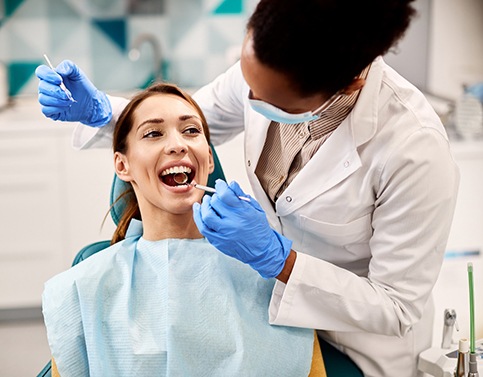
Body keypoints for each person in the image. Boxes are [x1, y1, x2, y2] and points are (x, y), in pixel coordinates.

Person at [36, 0, 460, 376]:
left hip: (356, 339)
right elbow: (183, 118)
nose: (247, 95)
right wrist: (102, 112)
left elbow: (396, 307)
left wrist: (280, 262)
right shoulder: (85, 287)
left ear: (348, 85)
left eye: (267, 98)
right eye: (246, 77)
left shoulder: (412, 149)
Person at [41, 82, 324, 377]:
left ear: (209, 159)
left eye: (191, 130)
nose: (178, 145)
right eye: (153, 133)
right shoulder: (81, 290)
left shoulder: (274, 280)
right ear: (122, 166)